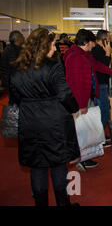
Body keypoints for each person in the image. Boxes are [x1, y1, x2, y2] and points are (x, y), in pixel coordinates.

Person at [9, 28, 80, 206]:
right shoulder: (53, 66)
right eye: (53, 44)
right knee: (58, 165)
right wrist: (74, 108)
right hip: (53, 122)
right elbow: (64, 94)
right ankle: (63, 204)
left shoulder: (18, 68)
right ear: (44, 46)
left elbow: (15, 95)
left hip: (29, 122)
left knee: (37, 166)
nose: (55, 49)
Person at [63, 29, 112, 171]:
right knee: (81, 130)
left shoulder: (84, 55)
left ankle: (84, 157)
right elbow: (78, 83)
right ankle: (81, 159)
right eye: (92, 43)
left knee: (84, 129)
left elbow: (96, 66)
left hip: (84, 98)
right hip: (79, 100)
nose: (94, 45)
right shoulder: (75, 57)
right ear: (86, 43)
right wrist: (81, 105)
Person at [92, 30, 112, 145]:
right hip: (100, 85)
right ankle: (98, 138)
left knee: (104, 111)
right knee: (103, 111)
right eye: (108, 38)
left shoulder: (99, 50)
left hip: (102, 84)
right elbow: (102, 66)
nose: (110, 40)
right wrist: (108, 54)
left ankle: (100, 136)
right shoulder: (97, 51)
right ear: (104, 39)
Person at [0, 31, 25, 101]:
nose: (24, 38)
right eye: (22, 36)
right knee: (14, 104)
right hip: (12, 83)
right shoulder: (11, 50)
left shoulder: (13, 48)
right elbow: (14, 65)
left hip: (13, 82)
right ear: (18, 39)